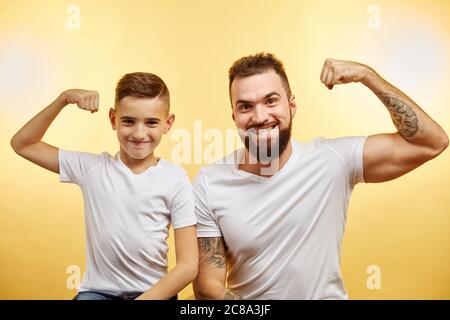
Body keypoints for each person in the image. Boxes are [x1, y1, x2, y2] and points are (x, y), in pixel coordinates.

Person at [193, 53, 448, 299]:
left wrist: (367, 76)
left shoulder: (333, 160)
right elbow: (208, 287)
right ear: (234, 116)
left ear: (292, 106)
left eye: (271, 101)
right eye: (246, 106)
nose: (260, 117)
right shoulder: (210, 182)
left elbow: (430, 143)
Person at [10, 72, 198, 300]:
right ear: (113, 119)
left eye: (151, 122)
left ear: (168, 124)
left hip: (155, 295)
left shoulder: (175, 179)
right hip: (98, 294)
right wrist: (64, 99)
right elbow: (23, 144)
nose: (139, 134)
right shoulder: (92, 168)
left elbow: (188, 265)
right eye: (128, 121)